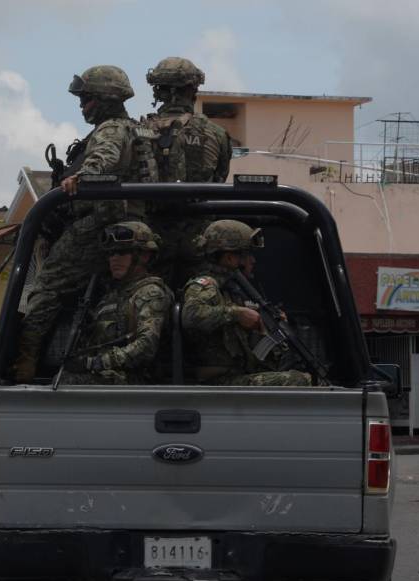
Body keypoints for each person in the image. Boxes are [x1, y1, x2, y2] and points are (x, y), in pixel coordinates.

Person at [13, 65, 157, 383]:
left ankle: (23, 367)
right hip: (130, 224)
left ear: (105, 99)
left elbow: (103, 158)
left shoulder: (110, 130)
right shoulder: (135, 128)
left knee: (45, 290)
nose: (82, 105)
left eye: (88, 98)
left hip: (102, 225)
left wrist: (83, 176)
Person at [181, 220, 311, 386]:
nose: (253, 261)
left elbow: (256, 356)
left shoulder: (231, 290)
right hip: (217, 382)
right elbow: (191, 315)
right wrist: (237, 314)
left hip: (234, 377)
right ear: (229, 257)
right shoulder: (207, 285)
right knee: (301, 381)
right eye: (247, 254)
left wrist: (266, 328)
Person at [142, 57, 234, 289]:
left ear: (158, 91)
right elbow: (219, 177)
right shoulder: (216, 133)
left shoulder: (138, 131)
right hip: (200, 239)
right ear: (192, 90)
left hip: (150, 240)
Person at [61, 222, 172, 385]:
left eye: (122, 252)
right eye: (111, 253)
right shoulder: (111, 296)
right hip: (110, 378)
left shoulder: (150, 292)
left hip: (138, 381)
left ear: (144, 255)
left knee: (68, 382)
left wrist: (96, 363)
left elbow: (146, 347)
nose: (114, 258)